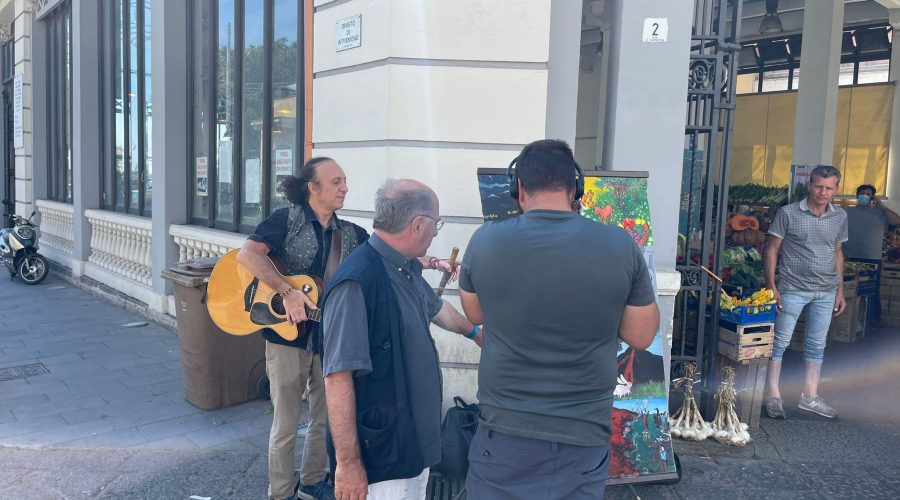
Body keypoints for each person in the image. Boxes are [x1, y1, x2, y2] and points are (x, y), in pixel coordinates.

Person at [237, 160, 456, 500]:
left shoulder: (350, 233)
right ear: (313, 187)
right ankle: (280, 493)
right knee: (286, 423)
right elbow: (247, 256)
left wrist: (432, 262)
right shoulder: (285, 221)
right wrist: (285, 291)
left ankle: (312, 484)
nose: (344, 188)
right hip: (288, 337)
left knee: (327, 418)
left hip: (329, 338)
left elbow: (391, 249)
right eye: (336, 181)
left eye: (345, 181)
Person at [457, 139, 659, 499]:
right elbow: (641, 336)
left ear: (517, 187)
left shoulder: (484, 242)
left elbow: (476, 314)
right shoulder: (620, 245)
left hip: (504, 436)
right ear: (575, 188)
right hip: (581, 440)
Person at [321, 179, 481, 500]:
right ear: (418, 224)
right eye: (436, 223)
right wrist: (348, 464)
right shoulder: (358, 281)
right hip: (382, 462)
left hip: (412, 452)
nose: (436, 232)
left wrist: (477, 334)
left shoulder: (405, 268)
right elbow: (337, 379)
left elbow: (437, 309)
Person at [764, 165, 848, 420]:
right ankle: (773, 395)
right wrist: (771, 287)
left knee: (816, 345)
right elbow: (771, 250)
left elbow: (837, 253)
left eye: (829, 188)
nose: (823, 192)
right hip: (792, 289)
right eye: (818, 186)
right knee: (779, 342)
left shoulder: (840, 217)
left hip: (826, 290)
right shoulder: (788, 213)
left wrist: (840, 290)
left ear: (835, 190)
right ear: (809, 186)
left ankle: (809, 396)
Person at [844, 184, 900, 325]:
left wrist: (883, 207)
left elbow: (897, 221)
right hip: (849, 258)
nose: (864, 196)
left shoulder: (880, 213)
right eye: (862, 193)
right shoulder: (847, 212)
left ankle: (873, 320)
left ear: (872, 197)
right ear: (857, 196)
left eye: (868, 194)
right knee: (849, 291)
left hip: (872, 259)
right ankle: (850, 322)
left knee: (871, 292)